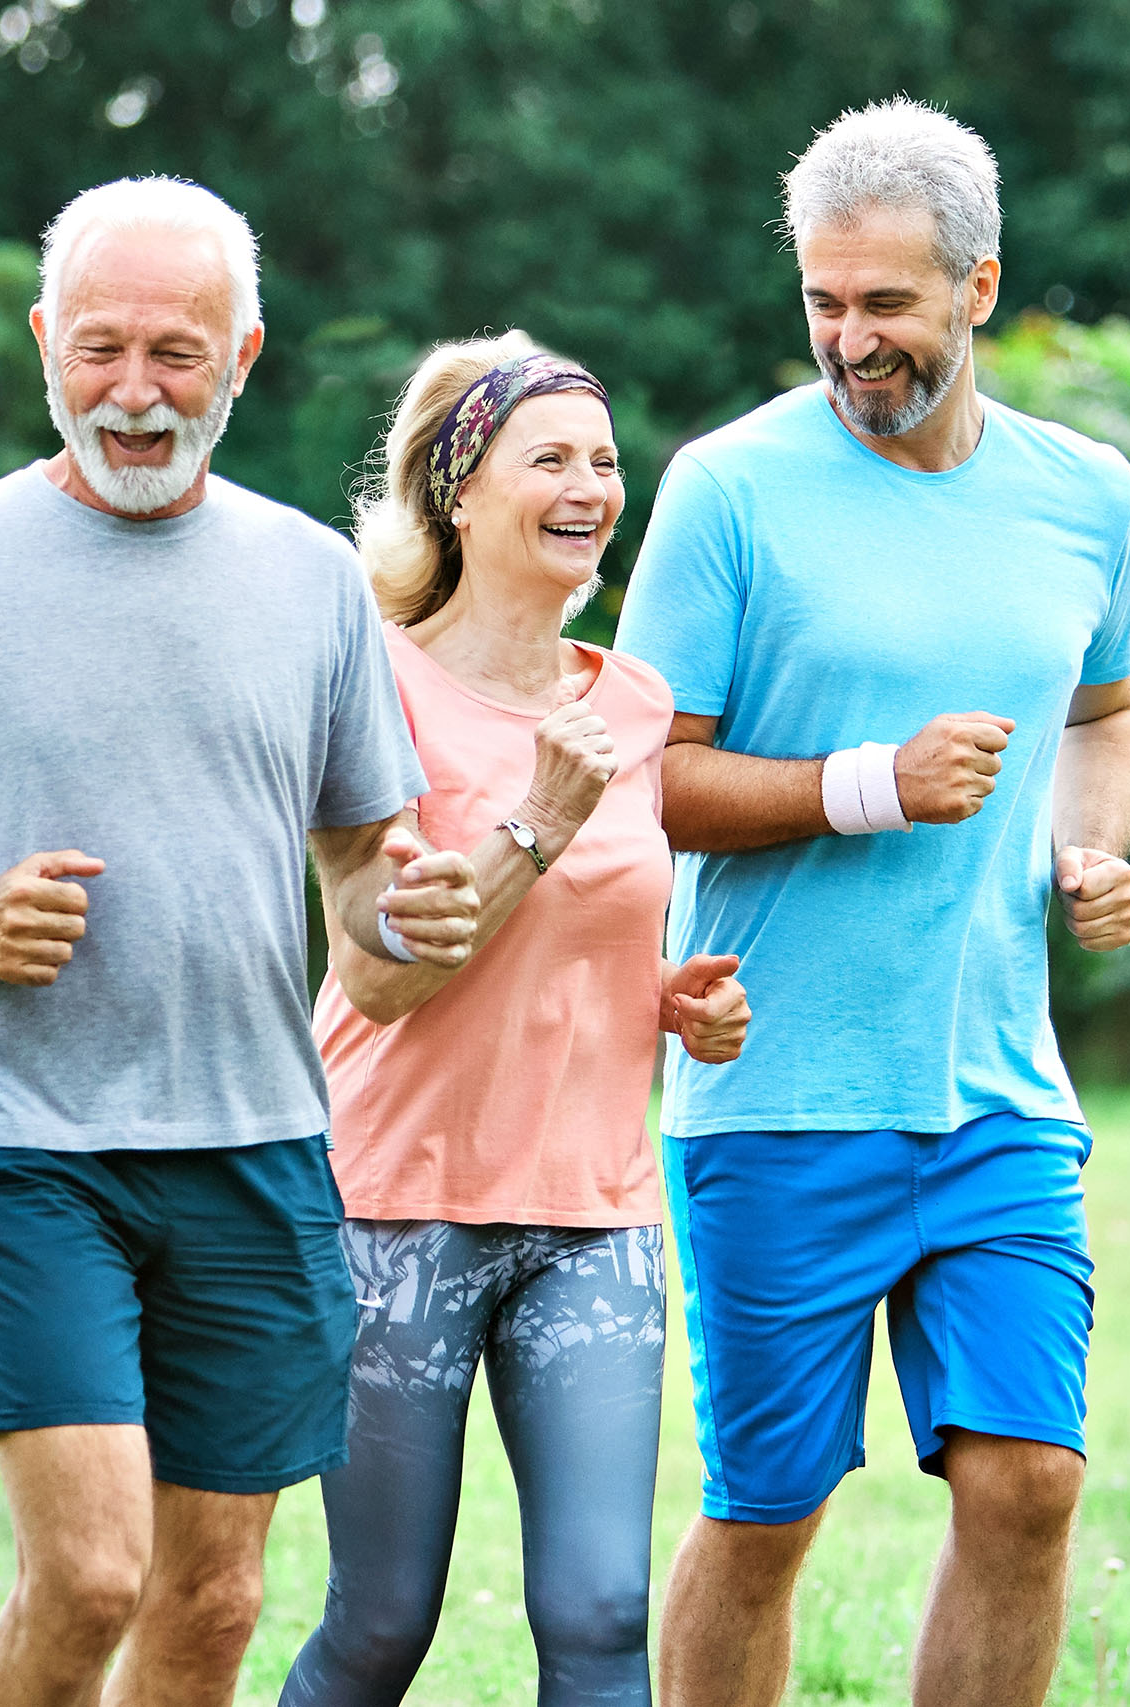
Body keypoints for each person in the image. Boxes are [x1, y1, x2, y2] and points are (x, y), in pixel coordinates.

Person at [0, 176, 484, 1707]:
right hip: (26, 1144)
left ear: (245, 355)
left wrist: (412, 898)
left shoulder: (313, 580)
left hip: (256, 1138)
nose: (134, 394)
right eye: (100, 349)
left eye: (176, 355)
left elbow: (363, 863)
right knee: (94, 1572)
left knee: (214, 1595)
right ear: (46, 342)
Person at [612, 99, 1130, 1707]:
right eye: (823, 305)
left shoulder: (1089, 498)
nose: (851, 342)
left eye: (889, 307)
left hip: (994, 1089)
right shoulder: (729, 490)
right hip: (778, 1089)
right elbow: (641, 776)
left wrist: (1091, 848)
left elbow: (1105, 714)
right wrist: (867, 782)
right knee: (769, 1512)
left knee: (1030, 1483)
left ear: (980, 289)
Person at [279, 335, 752, 1707]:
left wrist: (670, 1001)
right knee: (381, 1624)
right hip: (395, 1205)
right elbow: (379, 981)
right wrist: (536, 824)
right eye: (549, 459)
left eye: (603, 463)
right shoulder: (372, 684)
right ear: (456, 489)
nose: (590, 486)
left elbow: (580, 945)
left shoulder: (637, 705)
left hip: (595, 1212)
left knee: (604, 1616)